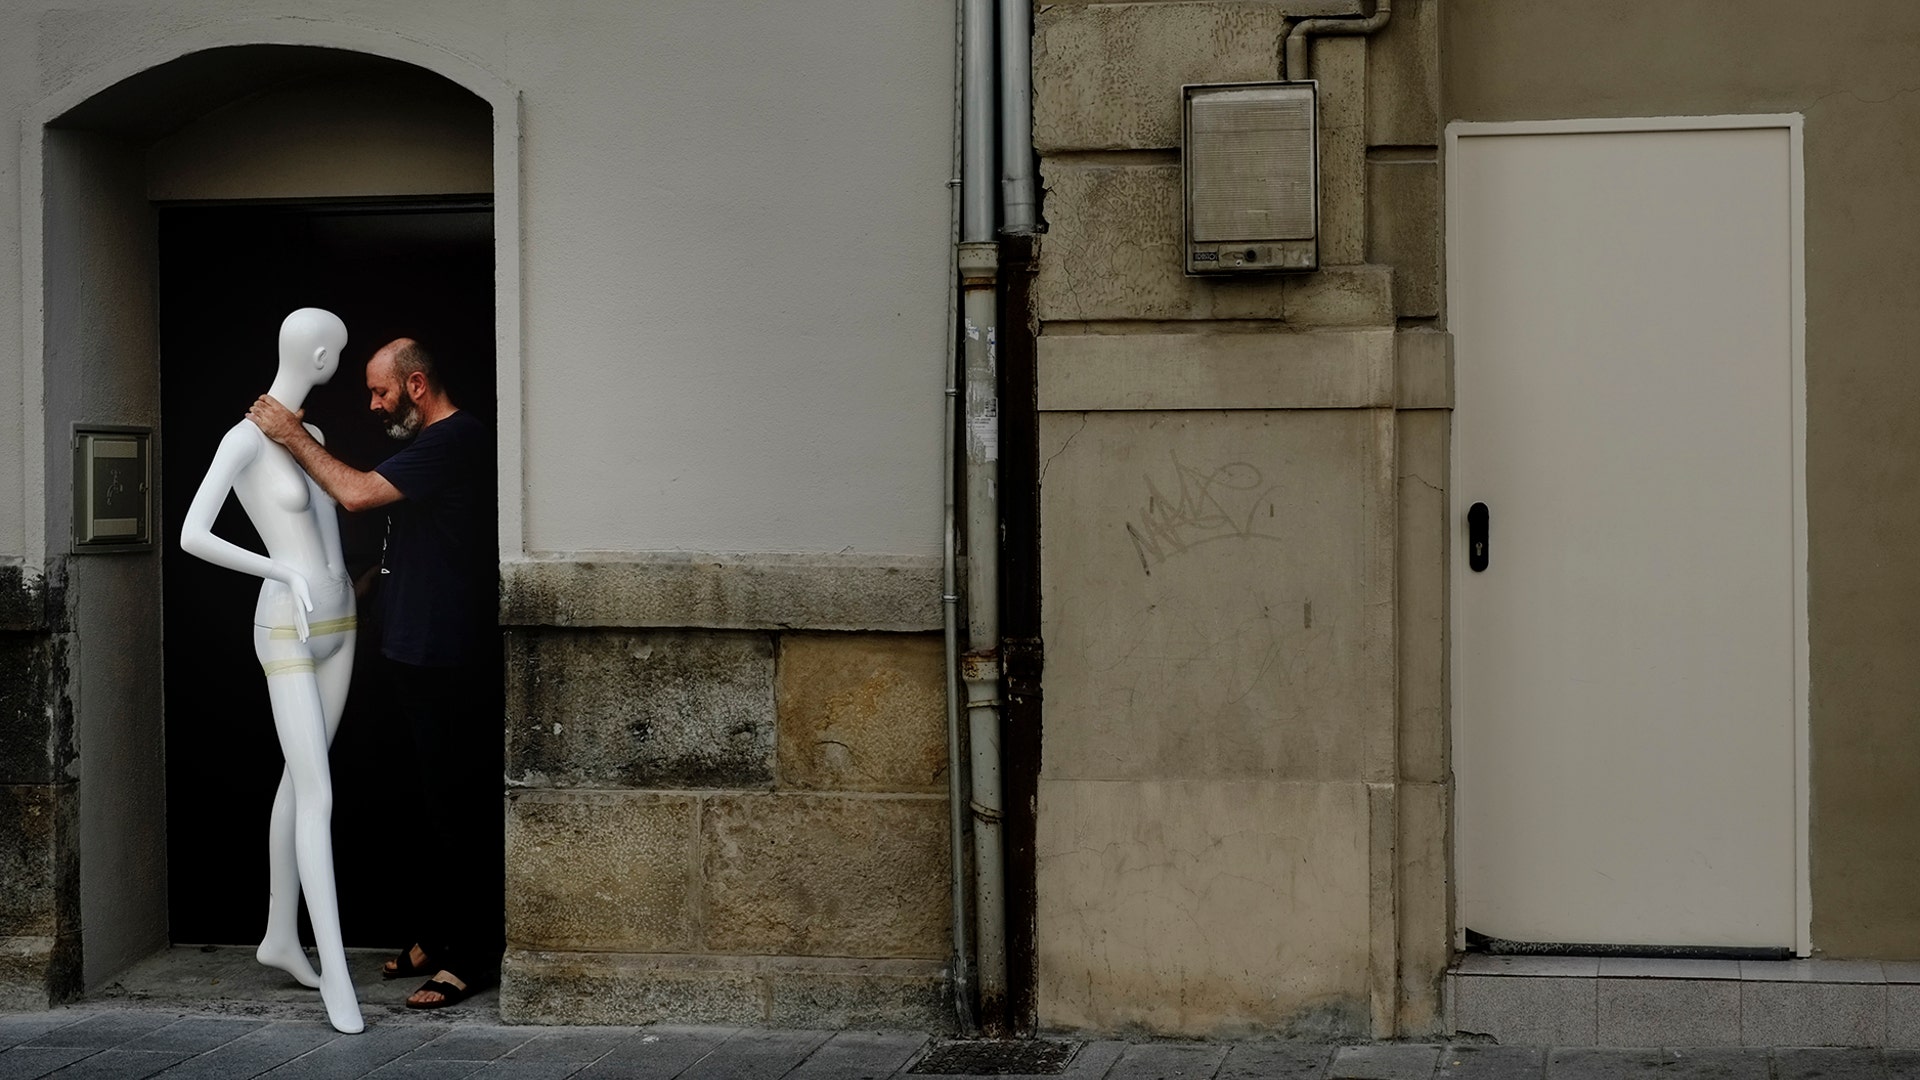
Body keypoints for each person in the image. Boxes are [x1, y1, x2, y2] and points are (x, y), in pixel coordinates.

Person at [247, 335, 496, 1010]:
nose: (373, 404)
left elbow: (356, 495)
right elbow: (401, 547)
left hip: (447, 655)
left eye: (381, 391)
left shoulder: (457, 439)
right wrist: (345, 593)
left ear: (417, 386)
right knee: (420, 801)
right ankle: (438, 935)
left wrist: (291, 433)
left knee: (458, 807)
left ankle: (469, 956)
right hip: (406, 648)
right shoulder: (426, 446)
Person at [180, 307, 364, 1034]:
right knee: (318, 792)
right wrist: (281, 573)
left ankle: (280, 936)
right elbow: (194, 534)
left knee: (301, 776)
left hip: (341, 621)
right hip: (287, 626)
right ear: (318, 355)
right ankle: (337, 982)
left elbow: (330, 522)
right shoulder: (243, 441)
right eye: (339, 355)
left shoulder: (309, 437)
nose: (339, 366)